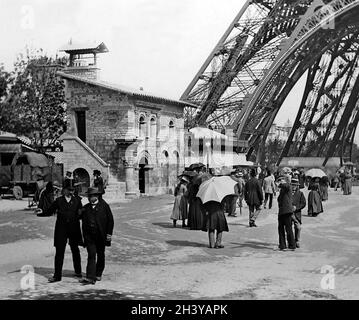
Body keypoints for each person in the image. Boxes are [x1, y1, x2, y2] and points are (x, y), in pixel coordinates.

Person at [47, 180, 83, 283]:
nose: (71, 192)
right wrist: (41, 211)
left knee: (75, 250)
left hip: (74, 229)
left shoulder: (77, 200)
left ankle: (78, 271)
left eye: (72, 190)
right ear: (64, 190)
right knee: (59, 252)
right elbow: (49, 211)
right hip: (61, 230)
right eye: (69, 190)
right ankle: (57, 276)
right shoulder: (59, 201)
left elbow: (81, 213)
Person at [79, 187, 114, 285]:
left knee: (101, 254)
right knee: (91, 255)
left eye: (92, 196)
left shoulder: (104, 206)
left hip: (101, 236)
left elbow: (110, 221)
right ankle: (90, 277)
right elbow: (77, 216)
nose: (90, 198)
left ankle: (98, 273)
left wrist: (109, 234)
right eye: (89, 196)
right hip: (89, 237)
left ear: (97, 196)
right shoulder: (85, 208)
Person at [277, 176, 296, 251]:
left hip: (287, 211)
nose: (280, 181)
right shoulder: (283, 190)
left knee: (288, 228)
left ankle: (292, 245)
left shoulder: (288, 186)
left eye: (282, 180)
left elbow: (286, 185)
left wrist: (281, 183)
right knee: (281, 228)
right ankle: (282, 245)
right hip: (282, 211)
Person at [187, 165, 207, 230]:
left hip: (194, 197)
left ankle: (194, 225)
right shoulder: (199, 178)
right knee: (199, 211)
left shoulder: (195, 178)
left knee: (194, 211)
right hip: (198, 197)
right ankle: (199, 225)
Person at [291, 178, 306, 248]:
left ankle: (297, 240)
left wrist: (296, 207)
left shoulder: (300, 193)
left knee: (298, 227)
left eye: (295, 185)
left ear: (297, 186)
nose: (293, 186)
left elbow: (303, 203)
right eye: (292, 185)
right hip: (289, 213)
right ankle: (290, 241)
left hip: (297, 214)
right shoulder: (287, 192)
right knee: (288, 228)